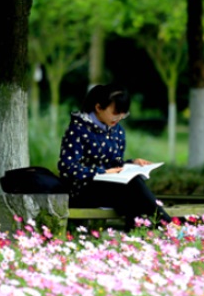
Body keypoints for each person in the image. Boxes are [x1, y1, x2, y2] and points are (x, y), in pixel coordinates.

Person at [58, 83, 172, 229]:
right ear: (98, 108)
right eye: (116, 113)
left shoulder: (117, 131)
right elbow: (67, 168)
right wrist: (101, 172)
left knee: (133, 188)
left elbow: (114, 163)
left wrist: (132, 163)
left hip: (111, 188)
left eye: (123, 114)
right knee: (133, 188)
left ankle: (139, 237)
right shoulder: (78, 130)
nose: (119, 118)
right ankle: (168, 226)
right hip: (82, 191)